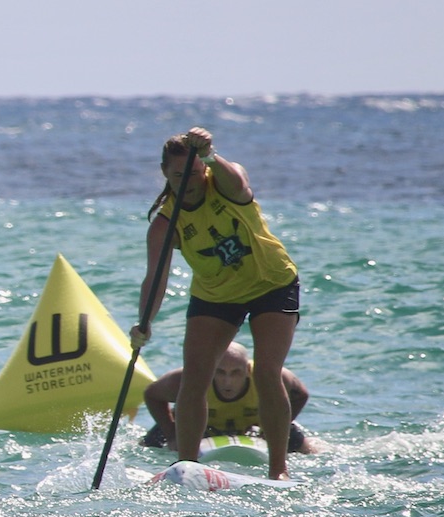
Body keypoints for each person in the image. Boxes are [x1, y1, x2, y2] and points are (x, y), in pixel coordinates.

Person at [129, 127, 301, 479]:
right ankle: (186, 467)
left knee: (268, 372)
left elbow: (238, 180)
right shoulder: (165, 223)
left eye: (193, 173)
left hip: (271, 282)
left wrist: (208, 154)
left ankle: (278, 470)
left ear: (203, 169)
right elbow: (156, 278)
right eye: (178, 175)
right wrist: (144, 323)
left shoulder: (223, 183)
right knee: (194, 377)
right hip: (216, 294)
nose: (187, 181)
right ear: (165, 174)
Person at [140, 340, 318, 453]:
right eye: (220, 372)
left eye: (235, 373)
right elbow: (152, 394)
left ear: (247, 370)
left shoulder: (267, 376)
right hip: (197, 426)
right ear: (211, 368)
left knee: (310, 449)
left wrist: (272, 428)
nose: (227, 382)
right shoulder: (191, 376)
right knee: (145, 448)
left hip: (249, 427)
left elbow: (300, 394)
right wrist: (172, 433)